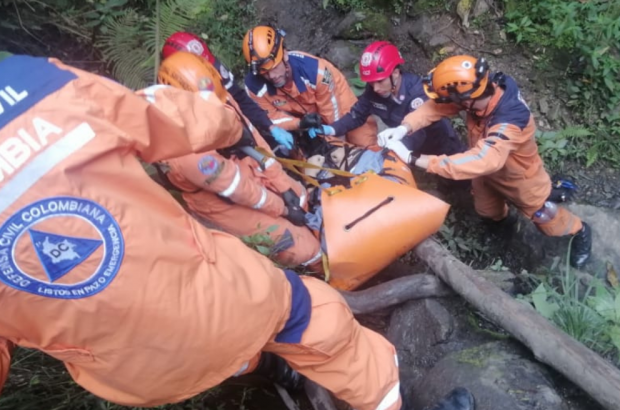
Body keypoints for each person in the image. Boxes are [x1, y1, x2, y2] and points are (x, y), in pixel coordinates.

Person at [0, 40, 474, 410]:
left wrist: (6, 320)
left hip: (132, 375)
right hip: (222, 297)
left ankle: (259, 368)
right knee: (315, 314)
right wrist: (279, 187)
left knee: (241, 327)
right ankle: (379, 394)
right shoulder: (29, 89)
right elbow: (197, 134)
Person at [381, 55, 592, 268]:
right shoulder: (480, 92)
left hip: (519, 177)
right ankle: (503, 225)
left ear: (466, 98)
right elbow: (435, 108)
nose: (450, 103)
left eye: (453, 99)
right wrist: (404, 127)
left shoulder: (509, 120)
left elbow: (485, 159)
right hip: (485, 175)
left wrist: (414, 158)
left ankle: (580, 230)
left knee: (545, 216)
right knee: (487, 210)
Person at [149, 51, 323, 269]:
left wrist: (281, 183)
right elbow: (239, 190)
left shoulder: (214, 96)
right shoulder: (187, 153)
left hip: (240, 163)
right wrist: (283, 209)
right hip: (220, 196)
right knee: (301, 248)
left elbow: (253, 140)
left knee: (300, 197)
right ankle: (320, 275)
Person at [304, 41, 465, 157]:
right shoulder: (374, 91)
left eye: (380, 81)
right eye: (371, 83)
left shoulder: (416, 92)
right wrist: (331, 129)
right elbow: (357, 115)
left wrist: (393, 151)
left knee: (457, 180)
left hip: (441, 144)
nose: (375, 88)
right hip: (411, 148)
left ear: (395, 73)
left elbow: (418, 132)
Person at [242, 25, 378, 148]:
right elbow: (271, 117)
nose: (272, 76)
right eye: (265, 72)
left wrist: (338, 145)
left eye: (275, 68)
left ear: (284, 55)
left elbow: (333, 117)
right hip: (302, 115)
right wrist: (299, 124)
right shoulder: (255, 87)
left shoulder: (316, 73)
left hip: (334, 97)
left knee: (362, 140)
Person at [162, 31, 295, 152]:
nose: (211, 71)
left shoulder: (215, 68)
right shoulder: (180, 111)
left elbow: (239, 98)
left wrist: (269, 127)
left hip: (239, 128)